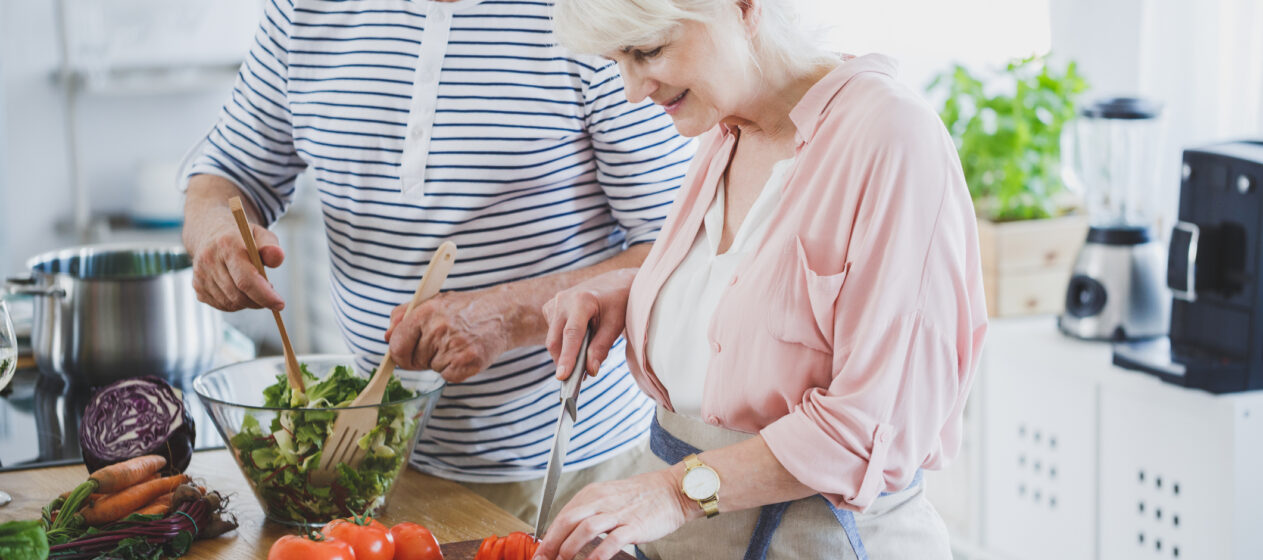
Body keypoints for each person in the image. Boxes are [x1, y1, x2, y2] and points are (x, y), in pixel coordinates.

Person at [179, 0, 695, 523]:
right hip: (374, 458)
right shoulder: (302, 9)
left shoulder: (592, 13)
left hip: (564, 469)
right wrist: (215, 232)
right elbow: (225, 172)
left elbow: (681, 245)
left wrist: (509, 313)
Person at [535, 0, 988, 558]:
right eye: (617, 61)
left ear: (742, 8)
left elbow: (872, 428)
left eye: (648, 51)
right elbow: (767, 302)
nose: (632, 90)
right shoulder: (726, 128)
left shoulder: (892, 135)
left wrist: (677, 493)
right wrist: (640, 293)